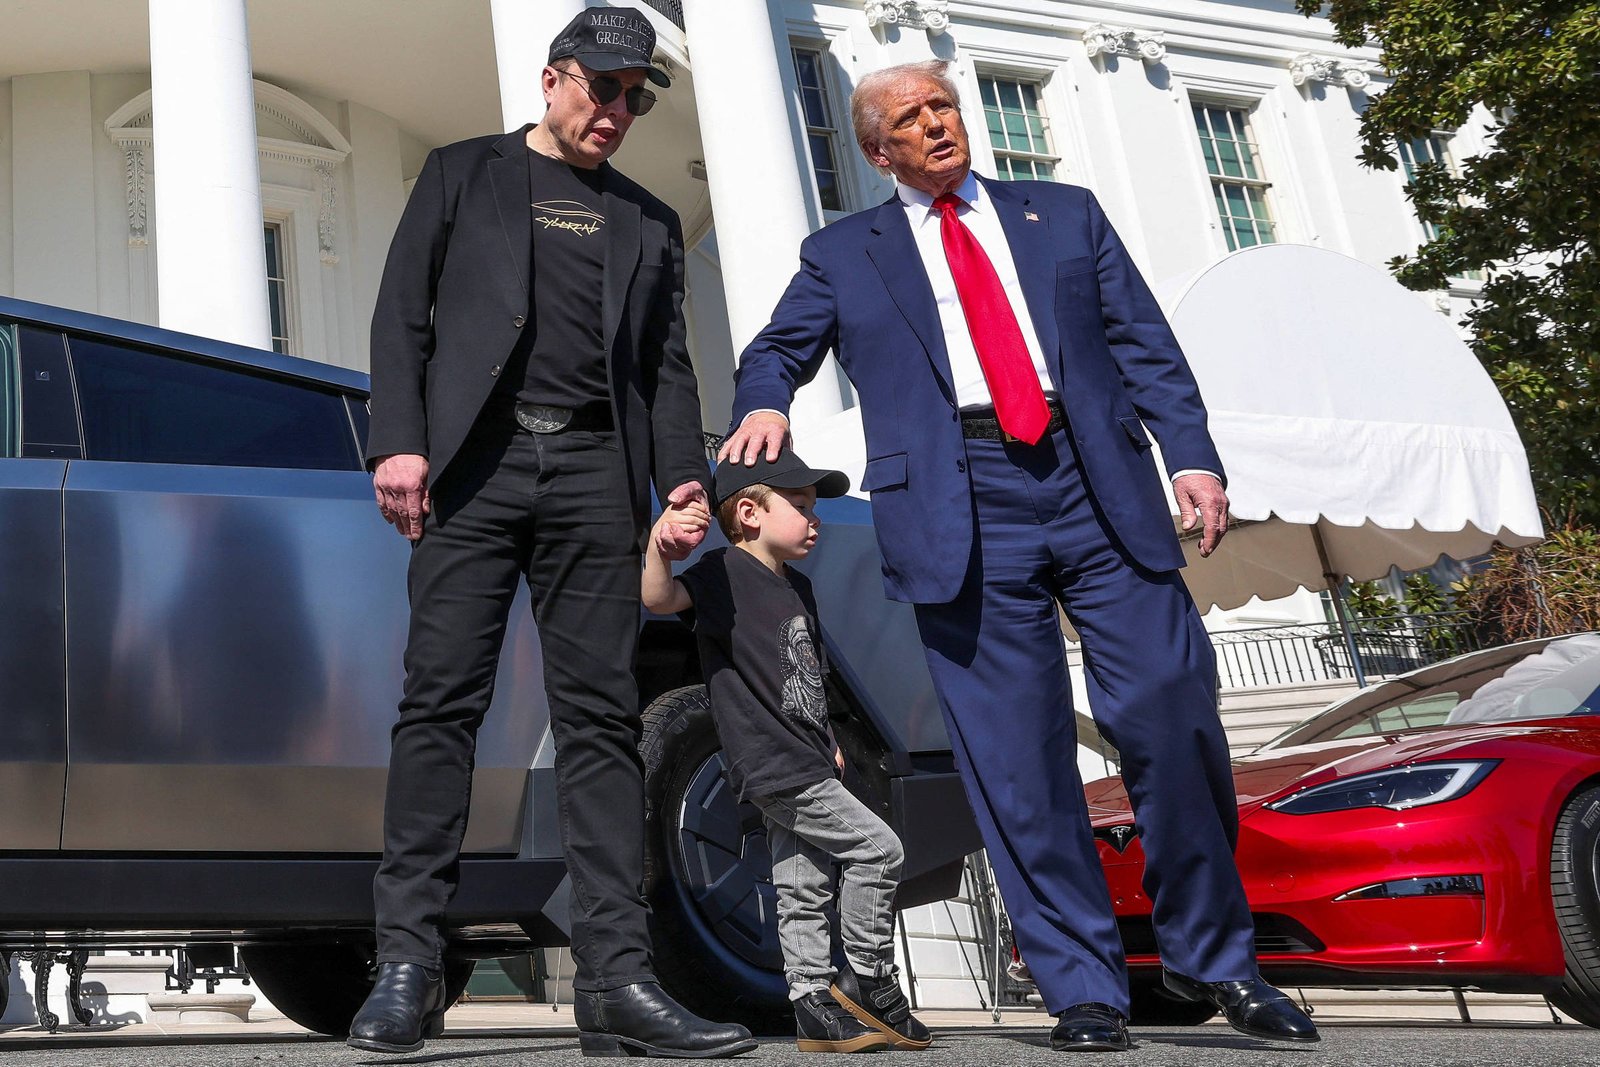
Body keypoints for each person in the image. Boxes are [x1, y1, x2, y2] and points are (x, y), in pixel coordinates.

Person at [718, 60, 1319, 1052]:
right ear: (877, 151)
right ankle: (1083, 986)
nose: (937, 124)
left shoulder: (1065, 215)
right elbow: (776, 349)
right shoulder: (842, 253)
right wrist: (766, 404)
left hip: (1095, 479)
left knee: (1170, 707)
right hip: (957, 499)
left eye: (944, 106)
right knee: (1017, 758)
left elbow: (1145, 347)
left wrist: (1192, 459)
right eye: (911, 117)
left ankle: (1214, 957)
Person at [349, 6, 753, 1058]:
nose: (617, 110)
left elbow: (667, 369)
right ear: (553, 78)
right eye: (603, 88)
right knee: (440, 705)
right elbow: (402, 314)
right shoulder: (461, 173)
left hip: (592, 476)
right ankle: (406, 966)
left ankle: (616, 979)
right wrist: (399, 443)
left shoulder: (647, 220)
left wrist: (682, 482)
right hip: (474, 472)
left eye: (635, 98)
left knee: (601, 722)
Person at [641, 450, 933, 1054]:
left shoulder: (798, 586)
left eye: (814, 507)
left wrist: (830, 741)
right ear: (749, 513)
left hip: (808, 756)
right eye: (798, 506)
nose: (813, 518)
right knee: (880, 850)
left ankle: (812, 1006)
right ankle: (870, 978)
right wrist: (659, 551)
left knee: (802, 886)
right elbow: (659, 600)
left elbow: (808, 677)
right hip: (772, 761)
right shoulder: (721, 573)